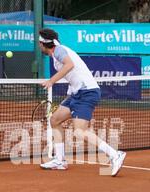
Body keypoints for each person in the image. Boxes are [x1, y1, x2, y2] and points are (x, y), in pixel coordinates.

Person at [38, 28, 126, 177]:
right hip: (76, 94)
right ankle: (60, 161)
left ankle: (115, 154)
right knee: (55, 120)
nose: (38, 46)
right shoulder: (56, 54)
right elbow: (73, 76)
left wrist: (51, 81)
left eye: (39, 43)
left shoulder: (59, 50)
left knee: (80, 131)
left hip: (87, 93)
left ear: (44, 43)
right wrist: (68, 97)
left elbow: (69, 65)